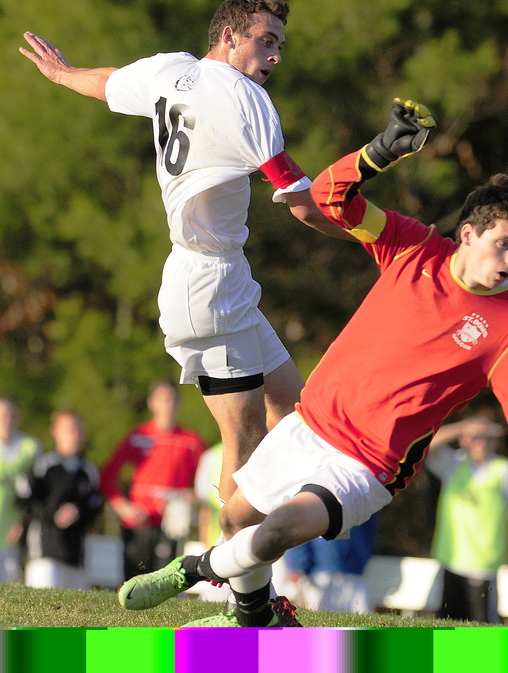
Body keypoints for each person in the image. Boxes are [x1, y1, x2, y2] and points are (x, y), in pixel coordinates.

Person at [114, 99, 508, 628]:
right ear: (468, 234)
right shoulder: (412, 246)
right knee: (235, 517)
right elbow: (327, 200)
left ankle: (192, 569)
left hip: (369, 463)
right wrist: (378, 152)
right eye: (505, 244)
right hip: (311, 423)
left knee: (274, 534)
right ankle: (254, 617)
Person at [19, 0, 352, 516]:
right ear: (229, 36)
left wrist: (63, 75)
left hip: (220, 277)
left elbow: (109, 82)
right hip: (208, 284)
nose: (275, 55)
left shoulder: (170, 69)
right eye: (266, 40)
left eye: (279, 44)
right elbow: (303, 208)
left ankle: (255, 560)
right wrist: (379, 240)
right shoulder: (249, 102)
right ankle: (239, 587)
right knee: (243, 438)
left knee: (291, 409)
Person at [425, 417, 508, 623]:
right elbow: (425, 446)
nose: (481, 443)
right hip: (451, 561)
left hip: (484, 565)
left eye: (487, 438)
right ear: (465, 440)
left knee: (482, 627)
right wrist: (462, 427)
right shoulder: (454, 464)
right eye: (475, 438)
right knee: (446, 625)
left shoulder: (506, 470)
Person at [100, 380, 206, 579]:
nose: (167, 405)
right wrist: (123, 507)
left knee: (167, 584)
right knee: (134, 583)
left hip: (172, 526)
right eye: (162, 399)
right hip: (138, 524)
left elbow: (208, 482)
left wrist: (190, 499)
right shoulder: (138, 436)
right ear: (151, 403)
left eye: (171, 399)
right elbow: (108, 476)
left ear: (179, 403)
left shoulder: (191, 442)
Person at [16, 411, 102, 589]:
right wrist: (52, 515)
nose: (74, 436)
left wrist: (78, 512)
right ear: (55, 432)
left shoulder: (88, 471)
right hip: (44, 553)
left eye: (78, 430)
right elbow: (24, 500)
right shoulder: (43, 466)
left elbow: (95, 505)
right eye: (68, 430)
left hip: (75, 556)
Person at [282, 514, 378, 614]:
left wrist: (363, 557)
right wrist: (298, 566)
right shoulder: (313, 501)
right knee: (319, 617)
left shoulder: (363, 500)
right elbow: (301, 531)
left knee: (360, 618)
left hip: (355, 573)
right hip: (321, 573)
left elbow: (369, 532)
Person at [0, 397, 42, 583]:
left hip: (11, 529)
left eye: (10, 415)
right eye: (1, 415)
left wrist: (22, 522)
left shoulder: (30, 447)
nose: (5, 420)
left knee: (9, 587)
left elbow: (35, 492)